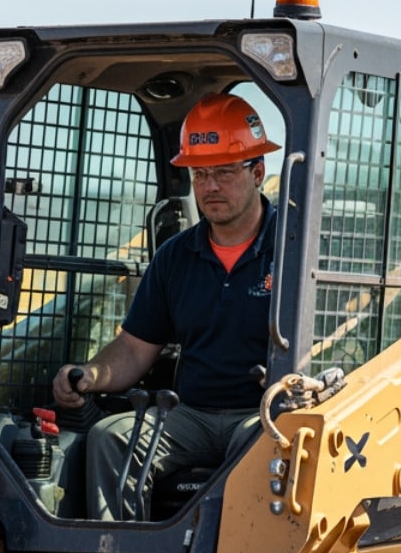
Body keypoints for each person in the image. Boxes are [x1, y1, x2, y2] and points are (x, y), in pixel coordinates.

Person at [51, 92, 279, 521]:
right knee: (108, 438)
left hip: (262, 413)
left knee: (264, 445)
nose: (210, 187)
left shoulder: (292, 247)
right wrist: (90, 375)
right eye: (200, 174)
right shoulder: (175, 256)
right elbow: (136, 348)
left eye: (225, 172)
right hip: (190, 415)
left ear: (258, 172)